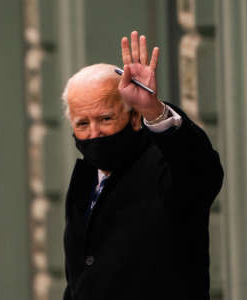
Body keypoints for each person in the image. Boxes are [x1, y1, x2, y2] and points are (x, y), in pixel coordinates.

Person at [62, 30, 224, 300]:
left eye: (105, 118)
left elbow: (201, 171)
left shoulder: (164, 168)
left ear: (134, 118)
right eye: (82, 123)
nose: (94, 133)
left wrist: (154, 110)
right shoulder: (86, 179)